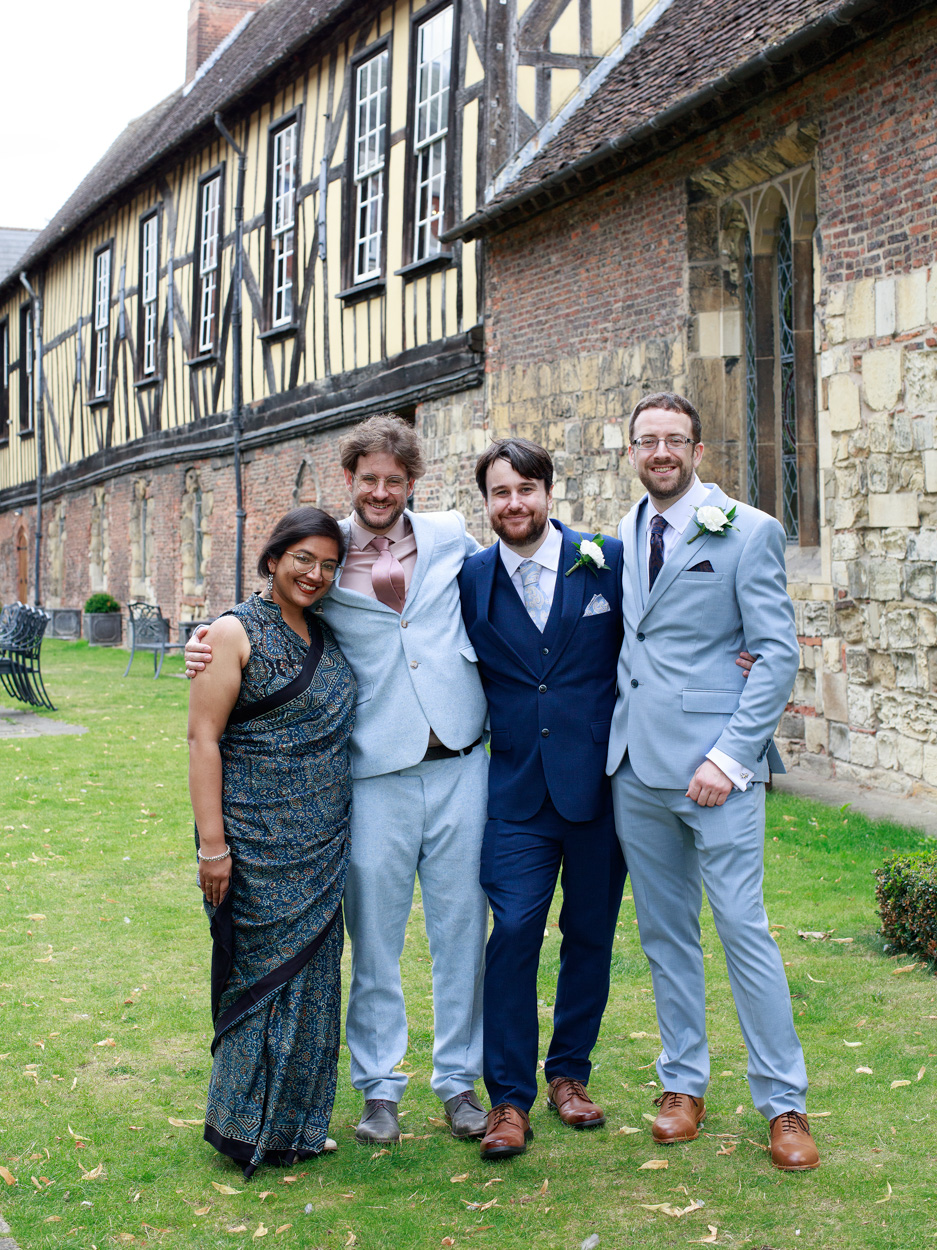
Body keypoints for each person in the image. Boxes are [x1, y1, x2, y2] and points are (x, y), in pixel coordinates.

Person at [186, 415, 491, 1146]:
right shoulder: (327, 551)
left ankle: (459, 1081)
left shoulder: (451, 536)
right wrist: (202, 638)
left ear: (412, 483)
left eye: (394, 480)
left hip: (462, 763)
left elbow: (516, 581)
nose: (381, 492)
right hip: (373, 776)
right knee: (374, 941)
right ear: (349, 479)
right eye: (369, 479)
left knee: (462, 936)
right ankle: (379, 1087)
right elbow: (270, 606)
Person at [606, 392, 819, 1171]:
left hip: (716, 772)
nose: (660, 452)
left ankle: (784, 1101)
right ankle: (681, 1085)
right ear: (631, 452)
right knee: (665, 936)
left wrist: (729, 757)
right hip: (634, 767)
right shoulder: (619, 536)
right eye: (646, 441)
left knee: (741, 929)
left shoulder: (747, 530)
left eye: (674, 440)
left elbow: (775, 652)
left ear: (697, 450)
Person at [458, 439, 628, 1160]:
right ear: (486, 502)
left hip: (597, 787)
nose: (514, 503)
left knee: (590, 934)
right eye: (500, 492)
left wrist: (734, 655)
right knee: (515, 933)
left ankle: (569, 1075)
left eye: (526, 489)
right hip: (515, 788)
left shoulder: (607, 559)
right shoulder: (470, 576)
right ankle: (507, 1098)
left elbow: (663, 631)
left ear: (549, 493)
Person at [188, 507, 356, 1178]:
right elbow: (203, 739)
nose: (315, 574)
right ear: (272, 559)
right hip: (254, 840)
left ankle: (296, 1127)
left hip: (321, 840)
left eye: (328, 565)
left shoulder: (325, 630)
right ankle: (240, 1126)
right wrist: (213, 846)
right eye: (303, 559)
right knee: (260, 978)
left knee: (312, 980)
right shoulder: (233, 632)